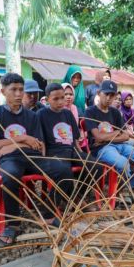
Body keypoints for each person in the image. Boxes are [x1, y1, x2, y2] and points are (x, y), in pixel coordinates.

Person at [0, 73, 73, 245]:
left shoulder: (32, 116)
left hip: (32, 157)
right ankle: (13, 223)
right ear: (3, 91)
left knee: (64, 170)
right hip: (9, 160)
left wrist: (10, 145)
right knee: (10, 176)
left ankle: (47, 213)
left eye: (20, 89)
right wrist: (22, 139)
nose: (18, 94)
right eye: (13, 90)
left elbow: (37, 145)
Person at [37, 83, 102, 211]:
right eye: (56, 99)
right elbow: (41, 140)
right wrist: (43, 158)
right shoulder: (41, 114)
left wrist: (80, 153)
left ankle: (77, 196)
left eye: (62, 97)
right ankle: (65, 202)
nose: (60, 101)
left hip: (71, 150)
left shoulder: (67, 114)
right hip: (53, 152)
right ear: (47, 99)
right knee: (64, 171)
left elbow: (75, 138)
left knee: (96, 166)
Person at [84, 80, 134, 194]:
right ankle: (126, 191)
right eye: (106, 94)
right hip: (102, 149)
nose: (108, 98)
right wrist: (116, 132)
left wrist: (107, 137)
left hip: (120, 145)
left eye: (112, 95)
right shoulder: (90, 111)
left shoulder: (115, 112)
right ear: (98, 93)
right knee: (123, 163)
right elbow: (97, 137)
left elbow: (126, 136)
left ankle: (125, 187)